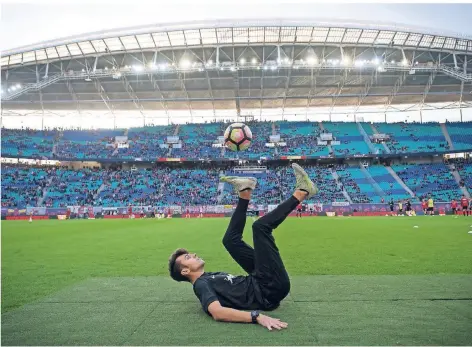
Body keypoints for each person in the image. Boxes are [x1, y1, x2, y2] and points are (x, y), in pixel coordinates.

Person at [168, 164, 318, 330]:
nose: (193, 254)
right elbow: (217, 312)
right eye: (188, 258)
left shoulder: (208, 277)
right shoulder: (201, 285)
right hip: (269, 288)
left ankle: (244, 192)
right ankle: (302, 192)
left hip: (259, 280)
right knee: (260, 228)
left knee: (230, 241)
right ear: (185, 271)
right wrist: (256, 316)